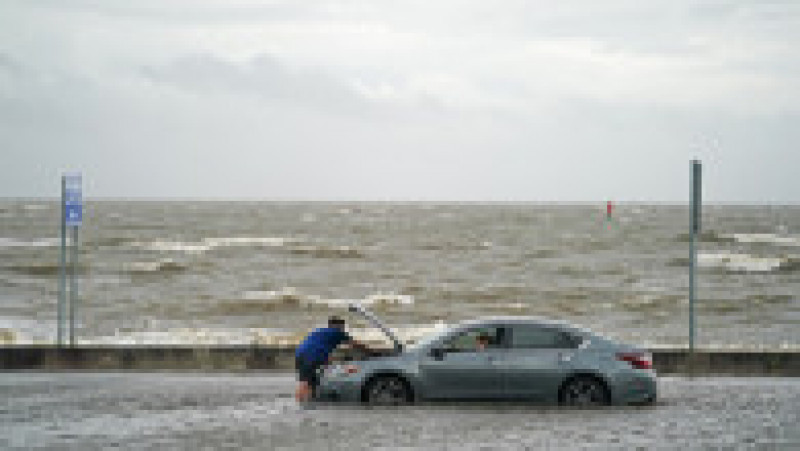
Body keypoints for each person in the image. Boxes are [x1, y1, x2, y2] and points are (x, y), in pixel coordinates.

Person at [294, 316, 370, 402]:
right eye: (342, 326)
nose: (343, 329)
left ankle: (309, 400)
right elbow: (355, 344)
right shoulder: (337, 332)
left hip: (300, 354)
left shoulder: (320, 331)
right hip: (311, 356)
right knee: (306, 382)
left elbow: (323, 349)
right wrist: (371, 351)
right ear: (337, 325)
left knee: (310, 380)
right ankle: (300, 402)